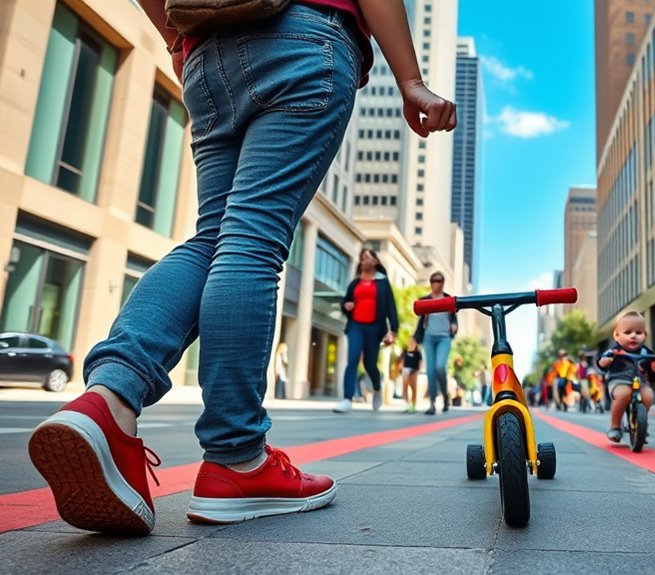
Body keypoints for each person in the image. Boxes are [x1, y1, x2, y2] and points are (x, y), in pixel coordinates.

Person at [27, 0, 456, 535]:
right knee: (251, 241)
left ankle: (108, 398)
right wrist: (410, 79)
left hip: (208, 53)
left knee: (213, 238)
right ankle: (237, 459)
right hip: (305, 41)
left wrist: (176, 41)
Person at [336, 248, 400, 413]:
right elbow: (345, 303)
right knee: (352, 360)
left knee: (370, 364)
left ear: (375, 261)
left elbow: (391, 308)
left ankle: (377, 389)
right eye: (361, 258)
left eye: (366, 257)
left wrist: (393, 331)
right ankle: (347, 399)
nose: (362, 260)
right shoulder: (355, 283)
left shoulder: (383, 282)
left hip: (374, 328)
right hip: (355, 326)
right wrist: (346, 306)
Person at [598, 311, 655, 443]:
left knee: (648, 395)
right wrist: (604, 362)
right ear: (617, 336)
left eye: (638, 333)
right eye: (627, 333)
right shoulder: (614, 351)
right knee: (623, 394)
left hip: (641, 383)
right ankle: (615, 425)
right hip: (618, 381)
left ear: (645, 335)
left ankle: (640, 422)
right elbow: (601, 364)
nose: (633, 336)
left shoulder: (647, 353)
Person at [413, 272, 458, 415]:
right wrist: (415, 338)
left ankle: (445, 396)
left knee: (440, 367)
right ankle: (432, 404)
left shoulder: (449, 299)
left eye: (439, 281)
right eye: (433, 280)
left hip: (444, 338)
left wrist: (454, 326)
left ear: (443, 283)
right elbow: (419, 318)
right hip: (429, 338)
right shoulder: (425, 300)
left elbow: (454, 319)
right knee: (430, 371)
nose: (436, 283)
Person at [399, 336, 422, 413]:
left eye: (413, 341)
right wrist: (401, 368)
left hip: (414, 370)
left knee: (413, 388)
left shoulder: (418, 352)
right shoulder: (404, 351)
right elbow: (401, 361)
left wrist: (419, 370)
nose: (411, 343)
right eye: (410, 341)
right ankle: (406, 404)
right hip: (406, 369)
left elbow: (420, 362)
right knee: (405, 386)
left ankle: (413, 405)